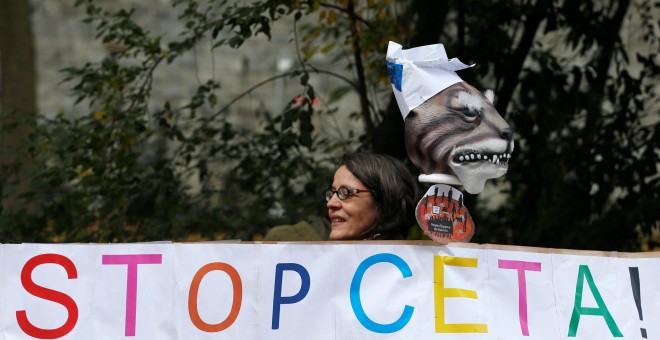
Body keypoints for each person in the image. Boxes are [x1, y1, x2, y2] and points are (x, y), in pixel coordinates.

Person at [324, 152, 419, 240]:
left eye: (346, 193)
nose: (330, 203)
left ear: (386, 201)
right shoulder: (322, 257)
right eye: (332, 193)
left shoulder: (427, 257)